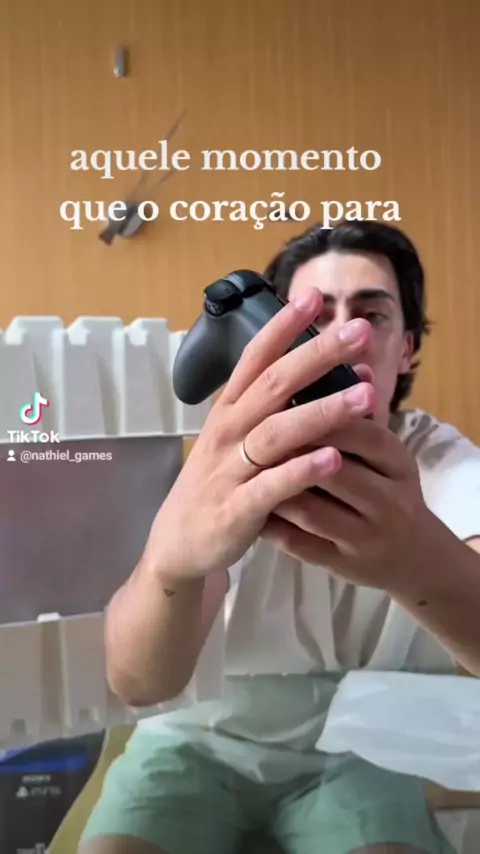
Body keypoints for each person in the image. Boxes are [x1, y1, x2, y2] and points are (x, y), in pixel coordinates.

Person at [78, 220, 480, 854]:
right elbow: (139, 682)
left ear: (406, 347)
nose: (341, 337)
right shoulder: (221, 461)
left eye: (371, 315)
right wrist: (168, 568)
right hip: (195, 737)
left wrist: (417, 560)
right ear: (266, 340)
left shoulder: (441, 462)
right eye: (311, 319)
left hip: (356, 748)